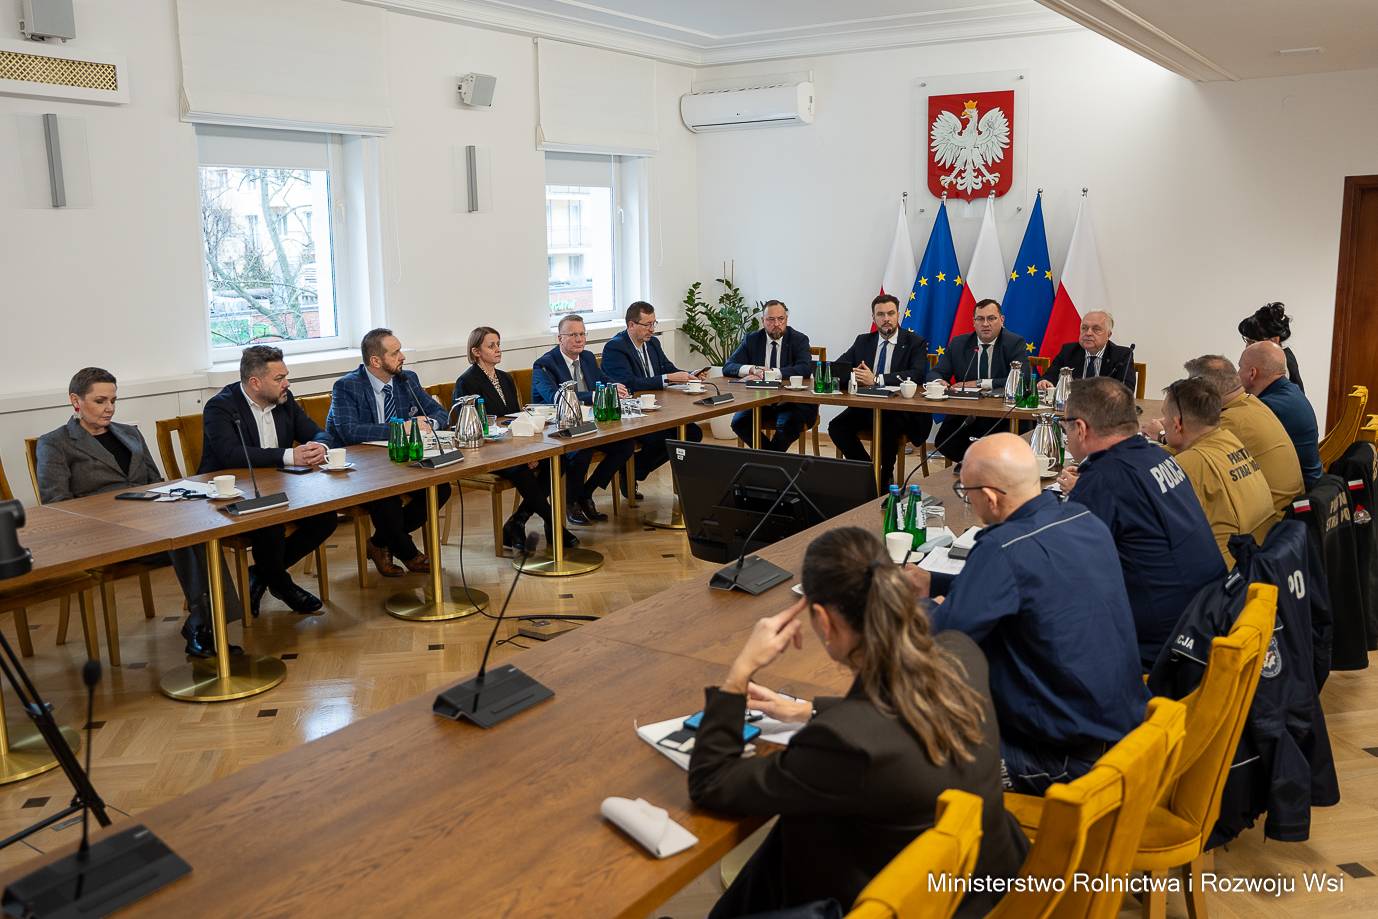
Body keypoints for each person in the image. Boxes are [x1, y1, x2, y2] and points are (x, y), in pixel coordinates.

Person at [688, 527, 1027, 918]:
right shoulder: (961, 653)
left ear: (823, 620)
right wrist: (808, 711)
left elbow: (712, 782)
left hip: (909, 903)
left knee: (792, 831)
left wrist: (739, 673)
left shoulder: (845, 741)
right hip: (986, 886)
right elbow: (899, 716)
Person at [924, 433, 1149, 793]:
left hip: (1062, 762)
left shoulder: (1001, 549)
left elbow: (941, 641)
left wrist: (917, 606)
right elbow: (1031, 589)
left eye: (966, 492)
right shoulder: (1083, 519)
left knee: (913, 754)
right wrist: (938, 585)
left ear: (990, 497)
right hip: (1123, 735)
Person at [37, 368, 244, 658]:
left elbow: (156, 482)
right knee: (184, 537)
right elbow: (57, 505)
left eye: (113, 400)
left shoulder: (129, 433)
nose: (109, 408)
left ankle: (204, 622)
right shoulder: (54, 443)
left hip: (151, 524)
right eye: (100, 401)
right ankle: (204, 625)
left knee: (200, 533)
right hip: (102, 535)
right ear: (75, 401)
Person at [1056, 378, 1225, 668]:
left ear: (1080, 428)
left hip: (1162, 651)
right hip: (1207, 619)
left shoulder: (1105, 480)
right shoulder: (1157, 456)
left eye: (1065, 426)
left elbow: (1066, 567)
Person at [200, 346, 337, 617]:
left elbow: (318, 432)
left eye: (285, 376)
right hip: (228, 496)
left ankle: (261, 575)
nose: (287, 383)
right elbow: (230, 454)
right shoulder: (221, 406)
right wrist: (289, 455)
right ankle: (283, 586)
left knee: (325, 518)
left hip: (279, 490)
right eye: (279, 378)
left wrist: (320, 447)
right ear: (255, 382)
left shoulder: (284, 400)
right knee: (270, 526)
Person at [325, 329, 451, 576]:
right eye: (395, 353)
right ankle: (409, 553)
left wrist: (429, 424)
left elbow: (440, 413)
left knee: (440, 488)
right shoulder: (347, 386)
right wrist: (400, 428)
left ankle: (379, 542)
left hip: (398, 461)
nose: (402, 357)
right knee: (386, 498)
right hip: (358, 468)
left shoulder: (407, 379)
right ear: (376, 361)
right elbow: (350, 431)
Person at [456, 327, 574, 552]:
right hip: (486, 450)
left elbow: (516, 417)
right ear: (476, 352)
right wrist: (520, 453)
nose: (498, 349)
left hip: (513, 445)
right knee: (520, 470)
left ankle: (516, 522)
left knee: (557, 461)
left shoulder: (505, 378)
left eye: (498, 344)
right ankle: (554, 525)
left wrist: (528, 450)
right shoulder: (467, 381)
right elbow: (468, 426)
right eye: (491, 346)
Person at [1168, 355, 1305, 520]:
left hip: (1270, 521)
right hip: (1281, 514)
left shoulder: (1231, 422)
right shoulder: (1251, 403)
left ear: (1205, 390)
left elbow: (1183, 458)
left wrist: (1162, 435)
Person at [531, 314, 636, 526]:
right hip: (557, 431)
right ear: (560, 338)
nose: (579, 339)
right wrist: (597, 395)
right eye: (572, 335)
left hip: (591, 425)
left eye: (582, 334)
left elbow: (602, 380)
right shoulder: (544, 364)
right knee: (582, 450)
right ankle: (570, 502)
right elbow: (556, 397)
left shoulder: (587, 357)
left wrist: (614, 387)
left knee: (625, 445)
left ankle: (586, 493)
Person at [1161, 378, 1275, 568]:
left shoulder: (1189, 465)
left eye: (1164, 416)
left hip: (1224, 574)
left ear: (1177, 423)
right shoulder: (1229, 439)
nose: (1162, 422)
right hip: (1261, 557)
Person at [827, 294, 937, 488]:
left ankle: (886, 476)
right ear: (873, 317)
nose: (886, 319)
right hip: (867, 407)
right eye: (881, 314)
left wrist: (877, 379)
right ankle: (868, 471)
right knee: (837, 427)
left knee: (888, 424)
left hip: (901, 410)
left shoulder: (915, 342)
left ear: (898, 315)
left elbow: (918, 374)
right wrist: (853, 374)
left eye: (890, 313)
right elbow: (838, 368)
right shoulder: (863, 341)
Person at [599, 301, 704, 493]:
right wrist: (668, 378)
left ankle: (634, 468)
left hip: (658, 409)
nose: (652, 329)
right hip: (632, 413)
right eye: (647, 324)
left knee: (693, 433)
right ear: (631, 325)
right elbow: (629, 383)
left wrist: (690, 374)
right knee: (661, 439)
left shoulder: (653, 343)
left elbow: (668, 368)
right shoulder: (615, 348)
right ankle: (630, 470)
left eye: (654, 323)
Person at [932, 298, 1030, 463]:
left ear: (1002, 320)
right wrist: (939, 382)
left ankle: (987, 470)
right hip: (967, 413)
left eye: (991, 318)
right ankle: (970, 468)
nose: (985, 324)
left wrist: (979, 383)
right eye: (980, 319)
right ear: (973, 322)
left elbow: (1023, 377)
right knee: (947, 440)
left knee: (1000, 447)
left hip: (1002, 415)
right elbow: (936, 372)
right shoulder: (959, 343)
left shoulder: (1014, 342)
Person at [723, 300, 818, 451]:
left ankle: (767, 460)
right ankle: (771, 459)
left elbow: (805, 368)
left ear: (786, 319)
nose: (777, 324)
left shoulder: (799, 339)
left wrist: (772, 373)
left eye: (781, 319)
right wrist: (752, 369)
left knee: (786, 425)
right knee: (739, 422)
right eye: (771, 319)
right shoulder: (752, 339)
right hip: (760, 402)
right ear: (763, 321)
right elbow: (728, 367)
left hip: (792, 403)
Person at [1239, 341, 1324, 486]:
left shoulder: (1267, 408)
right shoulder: (1291, 391)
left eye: (1240, 367)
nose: (1237, 374)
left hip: (1298, 493)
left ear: (1252, 373)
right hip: (1311, 483)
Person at [1037, 310, 1137, 392]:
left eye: (1096, 329)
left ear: (1108, 335)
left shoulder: (1122, 355)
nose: (1088, 333)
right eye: (1084, 328)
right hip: (1072, 407)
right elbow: (1049, 377)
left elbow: (1126, 390)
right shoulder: (1069, 351)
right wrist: (1045, 382)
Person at [1239, 302, 1303, 391]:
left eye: (1252, 342)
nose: (1247, 347)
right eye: (1247, 340)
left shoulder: (1280, 363)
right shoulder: (1277, 357)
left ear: (1274, 340)